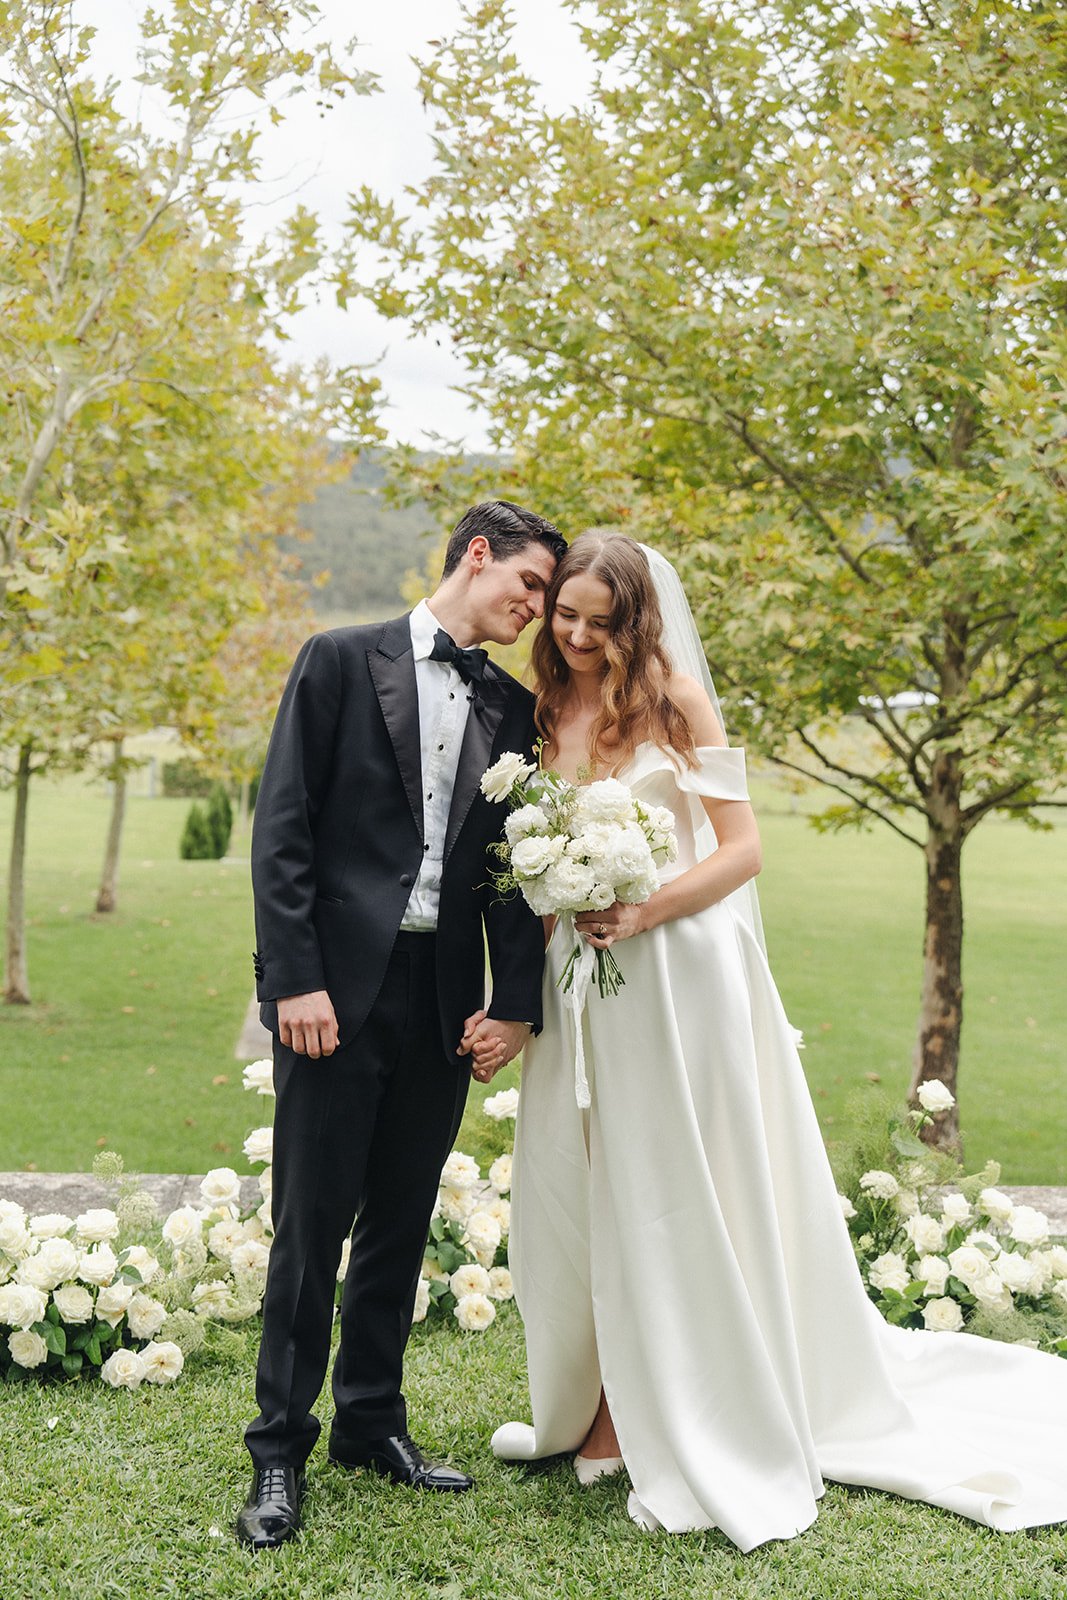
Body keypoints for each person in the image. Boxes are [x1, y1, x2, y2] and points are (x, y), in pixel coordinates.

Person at [475, 530, 1067, 1552]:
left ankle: (671, 1399)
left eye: (594, 620)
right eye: (563, 612)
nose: (571, 633)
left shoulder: (677, 703)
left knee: (669, 1181)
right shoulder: (544, 706)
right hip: (585, 982)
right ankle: (601, 1391)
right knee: (584, 1175)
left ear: (634, 619)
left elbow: (742, 848)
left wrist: (644, 906)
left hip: (676, 975)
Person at [236, 501, 566, 1550]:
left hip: (439, 998)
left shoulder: (512, 710)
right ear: (477, 555)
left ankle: (370, 1420)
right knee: (310, 1227)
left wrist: (511, 1004)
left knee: (399, 1221)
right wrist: (293, 981)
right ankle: (278, 1447)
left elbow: (516, 876)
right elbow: (283, 828)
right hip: (331, 993)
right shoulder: (336, 661)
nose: (536, 610)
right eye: (528, 586)